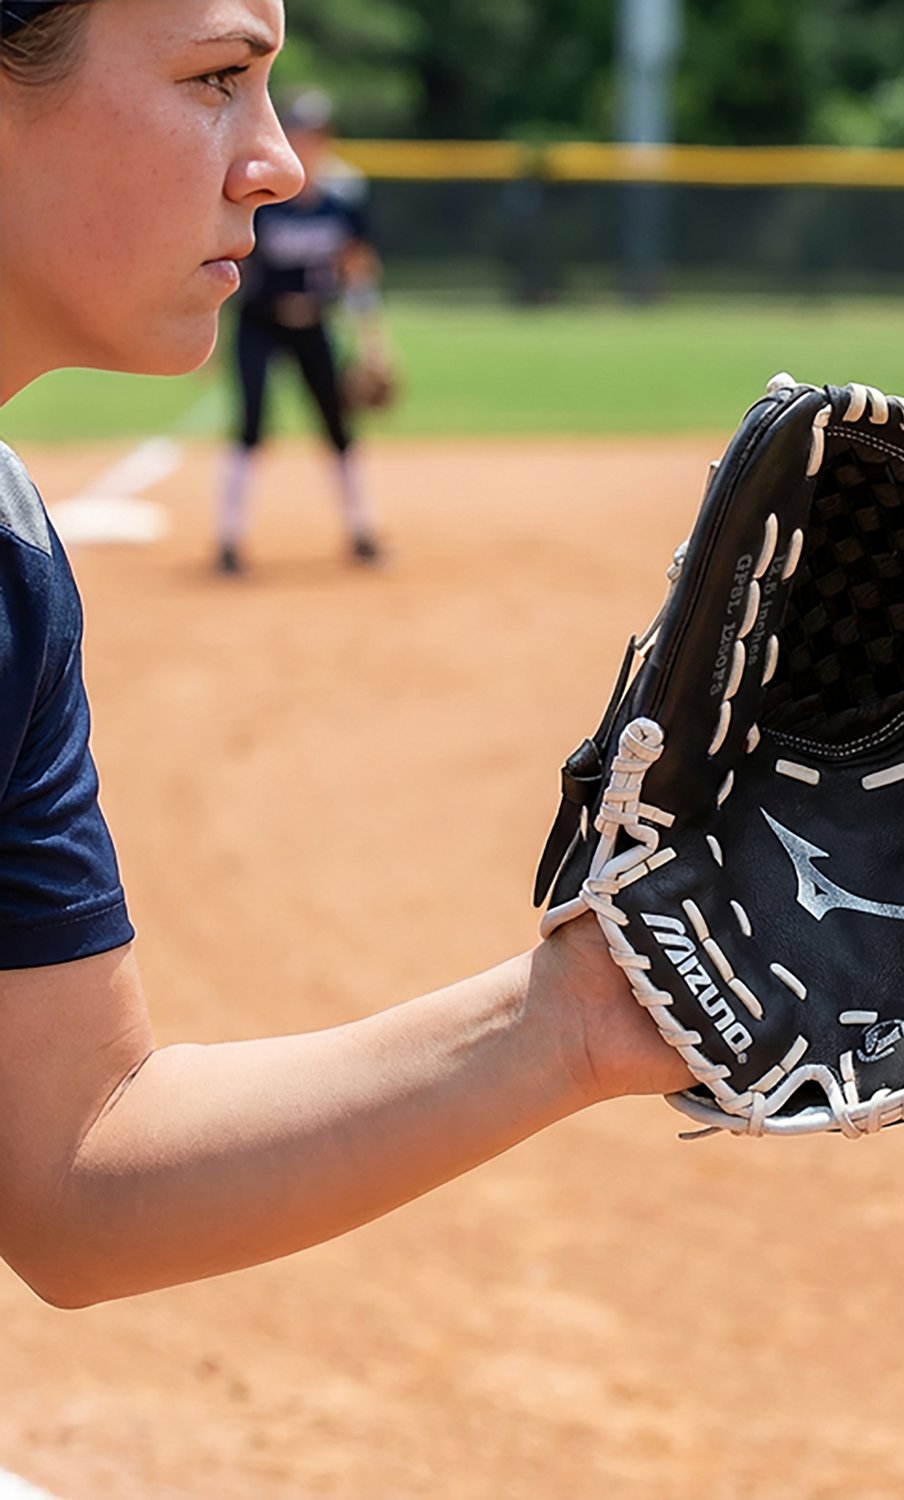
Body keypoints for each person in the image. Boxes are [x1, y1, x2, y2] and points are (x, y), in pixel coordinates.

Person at [0, 0, 690, 1309]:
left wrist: (581, 1020)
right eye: (215, 76)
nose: (280, 161)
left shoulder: (13, 566)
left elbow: (71, 1173)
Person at [215, 83, 389, 574]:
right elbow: (236, 271)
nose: (308, 142)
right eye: (298, 132)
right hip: (259, 323)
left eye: (316, 134)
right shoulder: (264, 203)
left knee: (337, 425)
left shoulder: (341, 205)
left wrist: (374, 344)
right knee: (250, 424)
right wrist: (213, 340)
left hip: (315, 325)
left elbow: (358, 272)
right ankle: (229, 542)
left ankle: (361, 533)